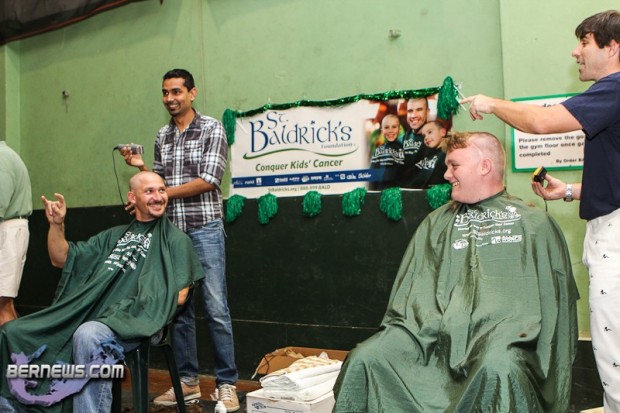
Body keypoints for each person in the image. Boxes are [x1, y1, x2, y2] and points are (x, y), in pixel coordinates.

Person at [333, 131, 579, 412]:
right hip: (429, 340)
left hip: (503, 343)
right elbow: (412, 298)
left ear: (484, 166)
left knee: (498, 367)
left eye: (454, 165)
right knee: (366, 357)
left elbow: (556, 311)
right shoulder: (435, 223)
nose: (446, 174)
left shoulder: (535, 224)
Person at [460, 10, 620, 411]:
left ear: (613, 47)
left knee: (615, 353)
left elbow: (542, 122)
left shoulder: (615, 88)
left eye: (584, 42)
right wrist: (569, 190)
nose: (576, 52)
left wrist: (491, 102)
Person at [0, 171, 203, 413]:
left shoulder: (177, 240)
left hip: (140, 322)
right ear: (132, 197)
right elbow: (61, 258)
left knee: (88, 335)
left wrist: (124, 309)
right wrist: (56, 225)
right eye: (149, 191)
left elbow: (180, 295)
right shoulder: (112, 236)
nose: (158, 197)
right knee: (13, 332)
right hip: (94, 315)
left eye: (162, 190)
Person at [121, 68, 239, 411]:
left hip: (205, 229)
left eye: (176, 91)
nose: (170, 98)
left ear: (192, 93)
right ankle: (187, 382)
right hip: (172, 232)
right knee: (180, 309)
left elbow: (209, 179)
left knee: (216, 308)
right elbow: (157, 179)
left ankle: (227, 384)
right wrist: (142, 172)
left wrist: (159, 195)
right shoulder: (163, 135)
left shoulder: (212, 128)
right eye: (165, 92)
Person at [0, 141, 32, 326]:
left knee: (2, 305)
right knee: (5, 303)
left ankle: (12, 346)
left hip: (7, 231)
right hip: (9, 230)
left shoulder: (1, 158)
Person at [405, 119, 449, 189]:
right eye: (424, 136)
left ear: (443, 132)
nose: (426, 138)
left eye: (430, 132)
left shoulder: (449, 153)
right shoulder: (428, 154)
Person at [398, 97, 429, 188]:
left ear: (427, 112)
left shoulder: (438, 140)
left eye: (419, 110)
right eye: (410, 111)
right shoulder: (399, 142)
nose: (413, 115)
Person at [368, 114, 404, 191]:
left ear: (399, 129)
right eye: (386, 127)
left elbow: (406, 173)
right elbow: (372, 173)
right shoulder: (378, 150)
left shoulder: (403, 149)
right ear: (382, 130)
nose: (390, 130)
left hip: (397, 192)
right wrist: (372, 192)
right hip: (380, 191)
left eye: (394, 127)